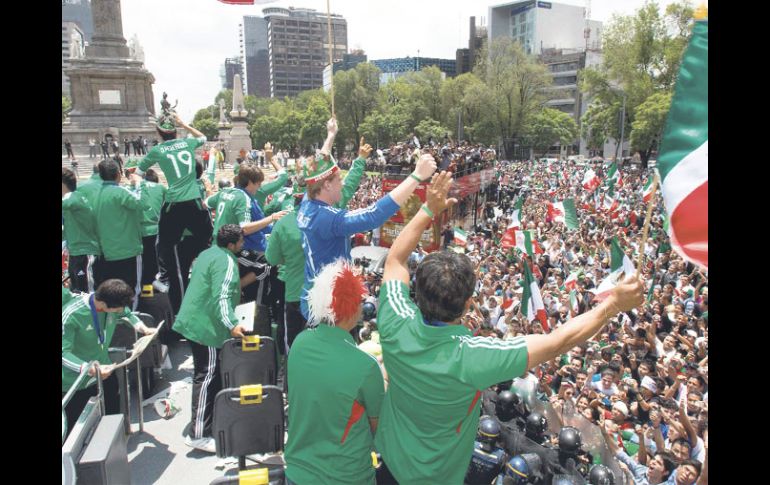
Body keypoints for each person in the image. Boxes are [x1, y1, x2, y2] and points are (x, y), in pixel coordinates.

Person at [372, 171, 644, 483]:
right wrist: (611, 305)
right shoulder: (473, 356)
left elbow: (395, 259)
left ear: (416, 292)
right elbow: (557, 341)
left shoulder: (394, 318)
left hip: (387, 466)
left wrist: (428, 208)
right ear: (466, 306)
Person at [297, 118, 435, 321]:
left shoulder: (307, 203)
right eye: (338, 180)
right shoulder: (328, 219)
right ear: (326, 186)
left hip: (313, 296)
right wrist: (416, 176)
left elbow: (321, 161)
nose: (342, 184)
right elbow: (373, 215)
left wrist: (331, 135)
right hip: (330, 307)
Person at [284, 259, 384, 484]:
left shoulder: (299, 344)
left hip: (297, 475)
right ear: (353, 308)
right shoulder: (366, 366)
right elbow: (380, 431)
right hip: (347, 477)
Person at [172, 224, 249, 453]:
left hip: (195, 320)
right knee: (206, 377)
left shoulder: (208, 253)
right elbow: (222, 297)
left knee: (209, 375)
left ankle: (209, 421)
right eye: (241, 242)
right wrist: (233, 324)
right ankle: (198, 434)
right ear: (231, 244)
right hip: (207, 327)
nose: (243, 246)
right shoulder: (226, 261)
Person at [132, 112, 212, 313]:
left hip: (174, 203)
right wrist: (184, 123)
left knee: (165, 246)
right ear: (175, 131)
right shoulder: (187, 142)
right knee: (208, 241)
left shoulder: (157, 150)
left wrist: (139, 185)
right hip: (194, 201)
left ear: (159, 133)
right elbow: (203, 137)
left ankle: (167, 284)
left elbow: (137, 174)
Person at [62, 279, 156, 436]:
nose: (121, 310)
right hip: (76, 381)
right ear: (105, 305)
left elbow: (127, 313)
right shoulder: (72, 315)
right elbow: (63, 353)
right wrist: (88, 368)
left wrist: (142, 328)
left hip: (105, 372)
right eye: (118, 308)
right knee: (77, 434)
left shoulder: (112, 306)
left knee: (110, 421)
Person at [92, 158, 147, 307]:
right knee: (132, 291)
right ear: (118, 174)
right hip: (127, 250)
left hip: (106, 252)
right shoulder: (120, 191)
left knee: (110, 295)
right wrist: (139, 184)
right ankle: (131, 325)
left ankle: (112, 326)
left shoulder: (96, 194)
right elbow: (143, 203)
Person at [62, 168, 99, 293]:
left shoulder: (72, 197)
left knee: (87, 294)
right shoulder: (72, 200)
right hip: (76, 253)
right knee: (76, 293)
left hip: (85, 253)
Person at [136, 169, 167, 290]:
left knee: (142, 257)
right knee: (153, 257)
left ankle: (143, 283)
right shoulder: (161, 188)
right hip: (154, 228)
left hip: (137, 229)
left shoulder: (138, 187)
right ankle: (151, 282)